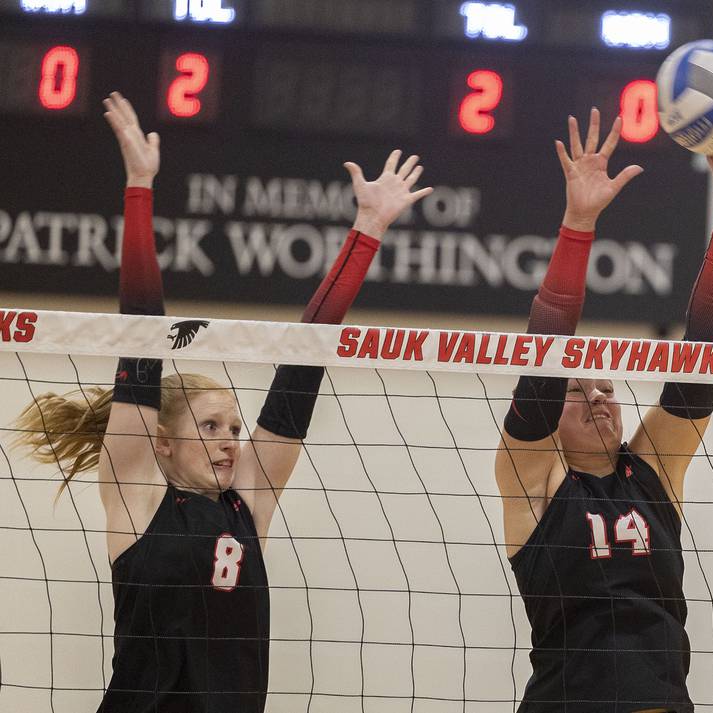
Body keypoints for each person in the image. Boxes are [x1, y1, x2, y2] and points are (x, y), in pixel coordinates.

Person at [14, 92, 433, 713]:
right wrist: (138, 187)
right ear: (163, 442)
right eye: (210, 426)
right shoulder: (137, 495)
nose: (230, 439)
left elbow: (304, 362)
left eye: (234, 425)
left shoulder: (249, 505)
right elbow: (141, 337)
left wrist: (367, 231)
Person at [495, 107, 713, 713]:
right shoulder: (534, 480)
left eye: (605, 389)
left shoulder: (653, 472)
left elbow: (700, 365)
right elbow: (544, 354)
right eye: (579, 391)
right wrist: (578, 222)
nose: (598, 396)